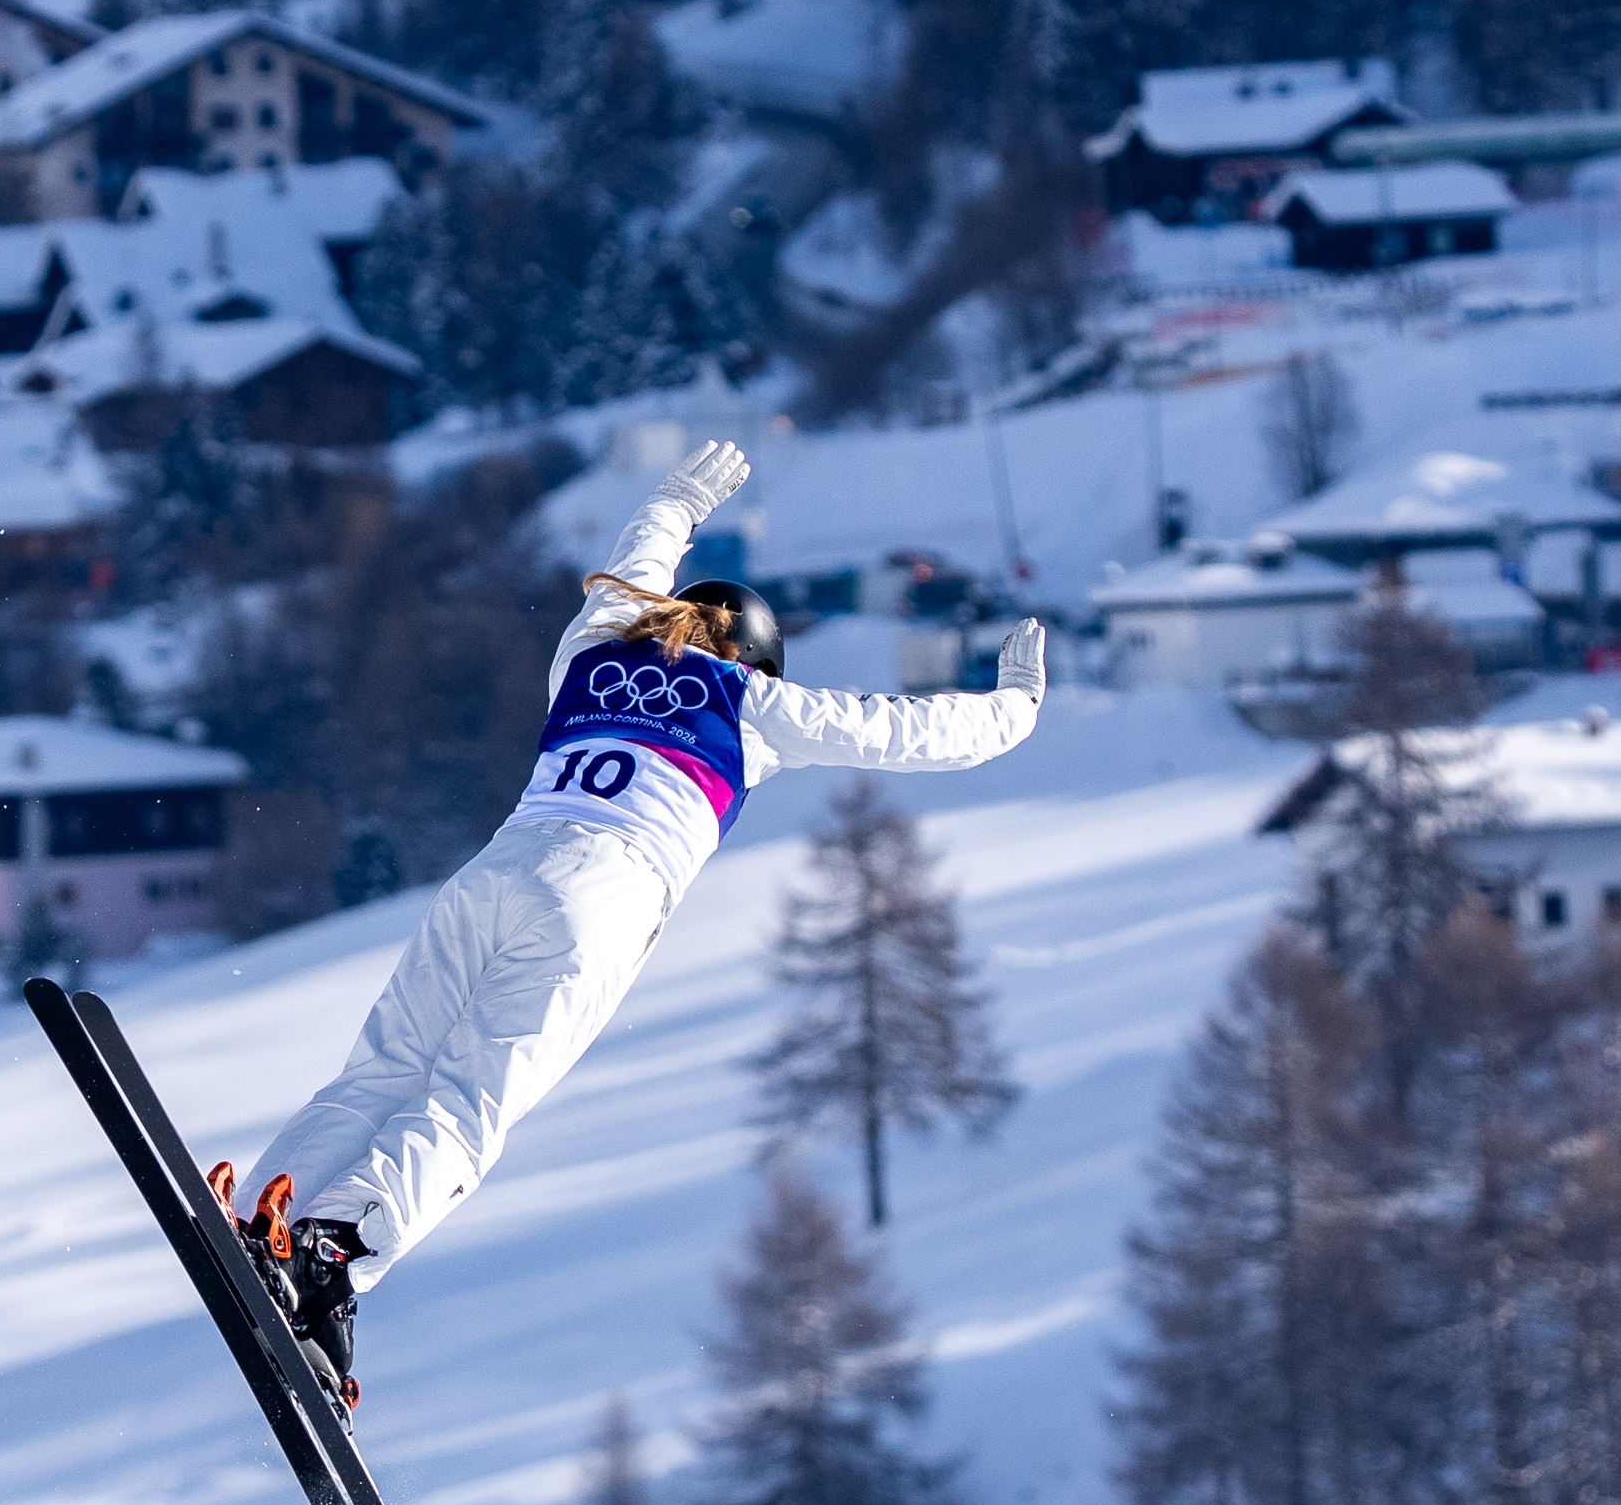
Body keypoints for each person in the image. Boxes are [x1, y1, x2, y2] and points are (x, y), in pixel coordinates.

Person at [226, 440, 1044, 1401]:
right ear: (752, 658)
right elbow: (908, 733)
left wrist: (679, 496)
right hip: (599, 900)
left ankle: (271, 1234)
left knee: (387, 1070)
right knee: (467, 1104)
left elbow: (639, 556)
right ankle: (332, 1251)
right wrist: (1016, 709)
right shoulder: (751, 702)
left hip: (496, 871)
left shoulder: (596, 644)